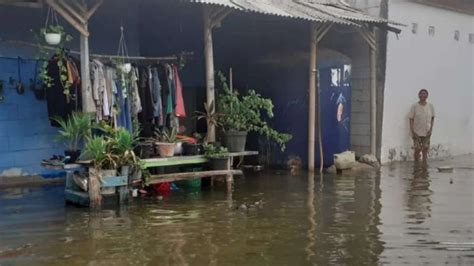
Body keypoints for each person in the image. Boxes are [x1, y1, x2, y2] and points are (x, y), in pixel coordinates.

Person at [408, 89, 435, 162]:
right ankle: (416, 164)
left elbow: (432, 118)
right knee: (417, 149)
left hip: (427, 132)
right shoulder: (414, 106)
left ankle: (424, 164)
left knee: (425, 149)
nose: (423, 95)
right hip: (417, 132)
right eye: (421, 94)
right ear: (419, 95)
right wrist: (412, 131)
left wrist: (431, 129)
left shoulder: (430, 106)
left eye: (424, 94)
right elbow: (410, 118)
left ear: (427, 96)